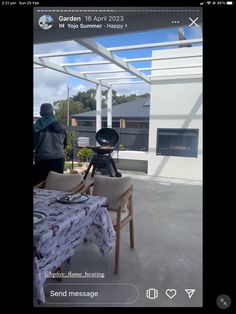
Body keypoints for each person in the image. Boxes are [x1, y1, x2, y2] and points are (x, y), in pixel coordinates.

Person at [33, 103, 67, 185]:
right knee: (55, 186)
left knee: (39, 188)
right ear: (52, 113)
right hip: (59, 161)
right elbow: (64, 145)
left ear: (41, 113)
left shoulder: (37, 127)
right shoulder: (61, 128)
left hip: (42, 161)